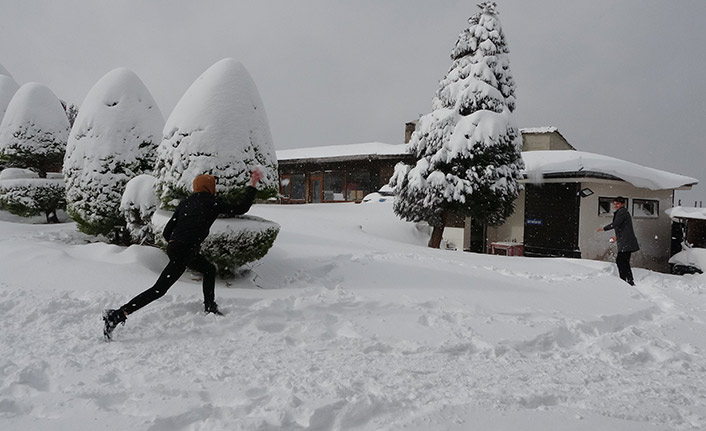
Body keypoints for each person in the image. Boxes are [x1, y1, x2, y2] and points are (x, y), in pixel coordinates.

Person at [102, 169, 262, 341]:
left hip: (178, 248)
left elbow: (167, 231)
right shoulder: (212, 202)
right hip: (186, 249)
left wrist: (177, 242)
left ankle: (210, 307)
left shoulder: (186, 203)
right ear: (210, 188)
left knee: (208, 269)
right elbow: (241, 208)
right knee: (159, 289)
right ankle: (117, 315)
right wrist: (252, 184)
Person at [597, 196, 639, 286]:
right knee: (624, 261)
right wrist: (617, 237)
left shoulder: (622, 212)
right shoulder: (623, 212)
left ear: (623, 204)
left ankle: (624, 280)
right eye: (615, 204)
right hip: (626, 240)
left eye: (618, 204)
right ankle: (629, 280)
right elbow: (623, 228)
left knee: (620, 260)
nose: (616, 205)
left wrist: (604, 228)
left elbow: (616, 224)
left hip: (626, 241)